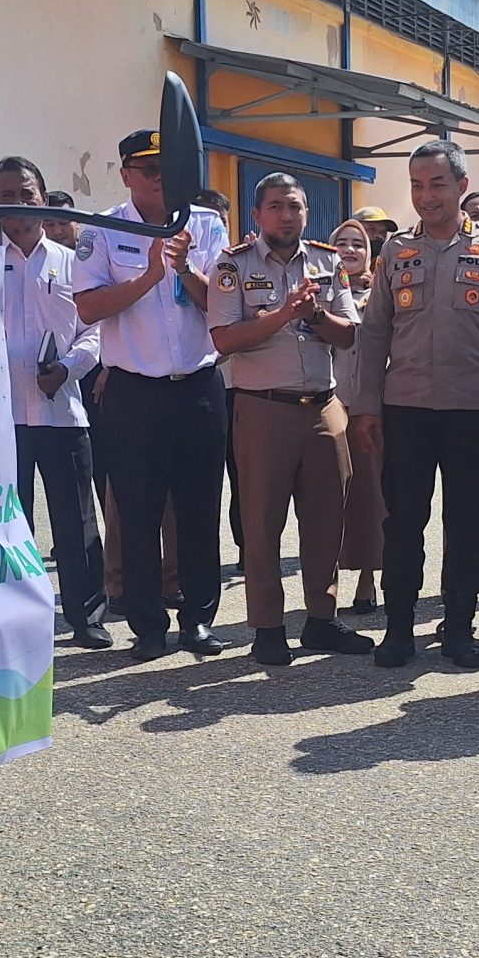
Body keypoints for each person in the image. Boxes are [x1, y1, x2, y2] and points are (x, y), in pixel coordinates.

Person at [348, 141, 479, 669]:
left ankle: (459, 626)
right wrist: (366, 405)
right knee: (403, 520)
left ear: (462, 187)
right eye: (417, 185)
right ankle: (399, 628)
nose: (426, 196)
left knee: (467, 521)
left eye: (437, 184)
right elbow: (375, 331)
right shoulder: (396, 252)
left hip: (473, 408)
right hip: (405, 408)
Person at [72, 126, 232, 661]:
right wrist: (148, 275)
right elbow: (89, 308)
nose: (161, 180)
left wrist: (184, 268)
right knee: (137, 511)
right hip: (134, 392)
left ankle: (199, 618)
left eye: (169, 169)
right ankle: (147, 624)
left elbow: (222, 307)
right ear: (126, 175)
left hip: (198, 387)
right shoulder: (103, 229)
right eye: (149, 170)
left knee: (199, 508)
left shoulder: (207, 225)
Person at [207, 175, 375, 665]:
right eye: (276, 206)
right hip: (263, 408)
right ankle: (267, 626)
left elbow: (350, 336)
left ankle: (322, 620)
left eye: (295, 207)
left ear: (306, 214)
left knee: (326, 520)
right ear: (256, 215)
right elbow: (224, 339)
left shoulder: (327, 263)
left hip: (323, 408)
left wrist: (316, 316)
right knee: (262, 522)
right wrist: (282, 314)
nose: (287, 215)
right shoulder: (232, 267)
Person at [0, 156, 111, 650]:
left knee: (76, 520)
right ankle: (14, 621)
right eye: (7, 195)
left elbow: (96, 330)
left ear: (43, 198)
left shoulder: (72, 263)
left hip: (62, 412)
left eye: (27, 193)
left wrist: (68, 368)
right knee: (7, 521)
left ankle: (86, 617)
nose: (18, 204)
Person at [327, 218, 386, 618]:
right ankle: (324, 588)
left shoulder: (382, 293)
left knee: (371, 500)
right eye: (342, 243)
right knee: (327, 503)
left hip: (368, 410)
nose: (350, 250)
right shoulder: (317, 292)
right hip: (327, 408)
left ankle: (367, 581)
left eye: (358, 244)